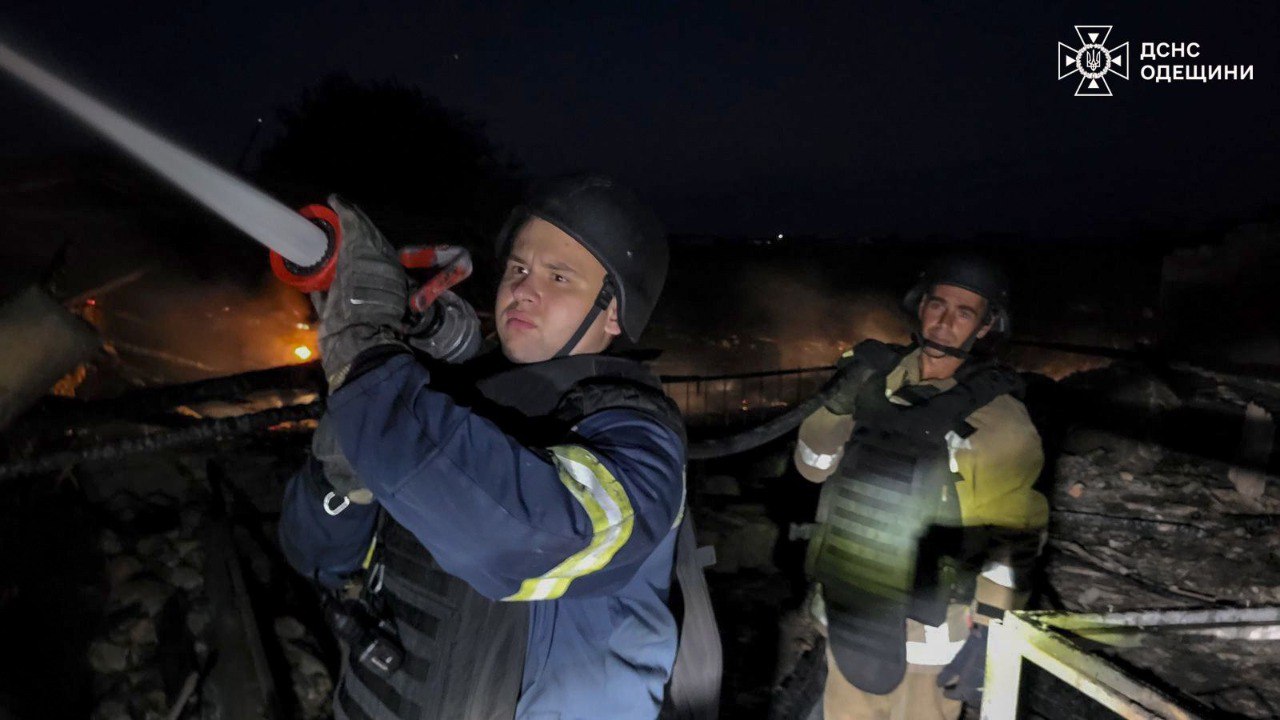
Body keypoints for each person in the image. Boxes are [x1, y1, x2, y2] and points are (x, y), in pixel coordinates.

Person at [278, 175, 689, 719]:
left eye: (558, 276)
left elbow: (521, 537)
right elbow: (316, 560)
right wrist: (340, 475)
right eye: (518, 269)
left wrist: (368, 370)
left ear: (613, 312)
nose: (523, 290)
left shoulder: (639, 440)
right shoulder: (450, 404)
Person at [792, 255, 1048, 720]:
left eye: (964, 313)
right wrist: (838, 406)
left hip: (932, 643)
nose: (945, 322)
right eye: (937, 305)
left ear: (985, 327)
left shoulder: (1002, 423)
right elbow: (812, 467)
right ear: (921, 305)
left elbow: (1010, 543)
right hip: (849, 615)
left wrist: (988, 634)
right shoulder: (874, 380)